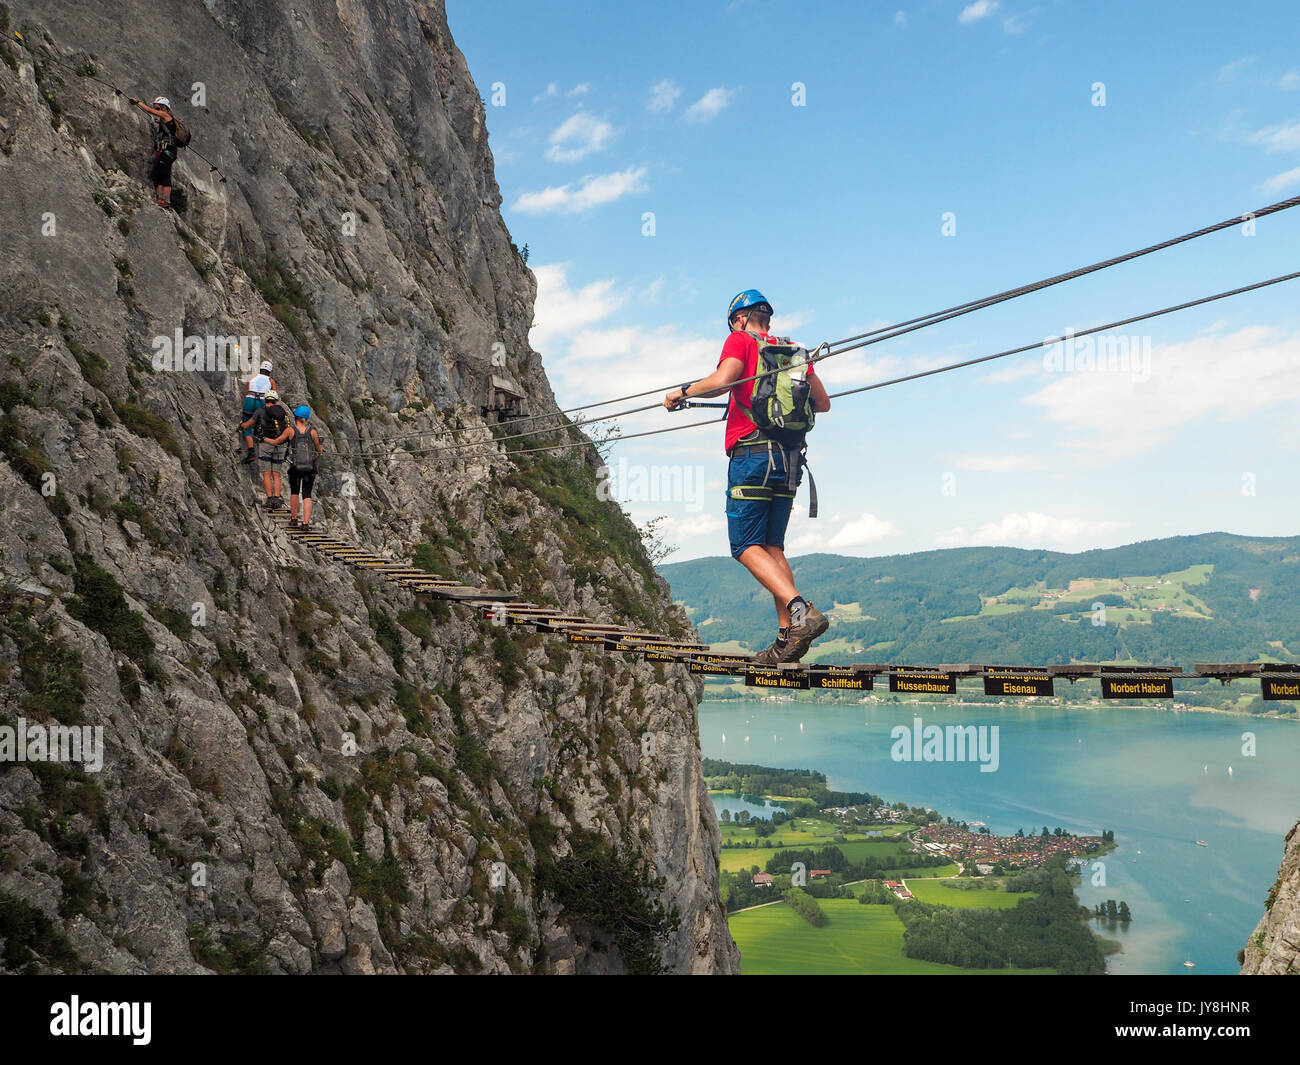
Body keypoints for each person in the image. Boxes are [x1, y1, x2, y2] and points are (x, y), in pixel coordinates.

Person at [663, 290, 831, 664]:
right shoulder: (794, 351)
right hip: (789, 461)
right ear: (766, 318)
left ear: (740, 319)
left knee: (743, 546)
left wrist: (682, 392)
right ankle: (788, 638)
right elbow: (823, 403)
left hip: (752, 454)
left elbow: (724, 379)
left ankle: (802, 613)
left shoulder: (740, 340)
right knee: (772, 547)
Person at [265, 406, 322, 529]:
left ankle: (294, 519)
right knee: (307, 494)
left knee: (294, 492)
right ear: (306, 418)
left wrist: (264, 439)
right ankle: (305, 523)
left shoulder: (290, 430)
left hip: (295, 468)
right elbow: (319, 449)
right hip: (309, 468)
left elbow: (277, 441)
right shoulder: (313, 432)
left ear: (295, 416)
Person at [129, 96, 185, 208]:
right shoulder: (165, 118)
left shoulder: (166, 115)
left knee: (164, 173)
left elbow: (150, 111)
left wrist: (138, 102)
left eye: (158, 108)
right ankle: (159, 198)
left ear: (164, 107)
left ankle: (166, 200)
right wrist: (159, 122)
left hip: (168, 150)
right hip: (163, 150)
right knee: (156, 174)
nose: (157, 110)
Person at [247, 390, 291, 508]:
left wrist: (243, 427)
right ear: (276, 400)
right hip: (281, 445)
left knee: (266, 474)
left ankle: (269, 499)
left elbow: (250, 424)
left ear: (265, 400)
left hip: (266, 443)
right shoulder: (283, 413)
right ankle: (277, 499)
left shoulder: (261, 411)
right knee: (276, 473)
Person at [238, 361, 276, 464]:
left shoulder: (253, 376)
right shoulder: (271, 380)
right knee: (262, 419)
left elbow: (249, 389)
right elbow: (274, 395)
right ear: (269, 371)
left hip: (250, 400)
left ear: (260, 369)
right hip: (262, 402)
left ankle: (251, 452)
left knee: (247, 425)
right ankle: (259, 432)